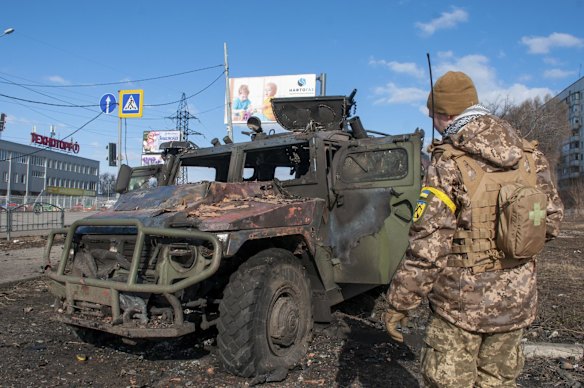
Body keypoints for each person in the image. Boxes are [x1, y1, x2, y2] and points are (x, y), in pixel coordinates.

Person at [384, 71, 564, 387]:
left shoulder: (448, 162)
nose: (435, 123)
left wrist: (401, 302)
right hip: (516, 301)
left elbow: (428, 248)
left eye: (434, 116)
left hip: (459, 306)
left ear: (446, 114)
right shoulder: (529, 155)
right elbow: (551, 221)